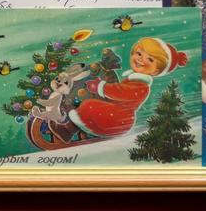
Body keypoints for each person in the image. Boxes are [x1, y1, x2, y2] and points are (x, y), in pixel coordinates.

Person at [48, 37, 188, 142]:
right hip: (114, 113)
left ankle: (69, 130)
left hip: (120, 119)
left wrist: (101, 86)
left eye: (150, 60)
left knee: (89, 106)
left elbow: (121, 92)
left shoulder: (141, 86)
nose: (141, 59)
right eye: (139, 53)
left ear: (156, 71)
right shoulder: (133, 79)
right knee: (89, 105)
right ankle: (67, 131)